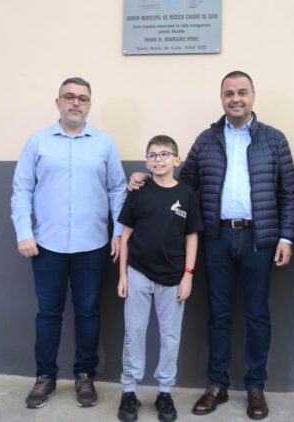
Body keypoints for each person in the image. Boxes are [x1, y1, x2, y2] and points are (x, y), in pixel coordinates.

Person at [129, 71, 294, 420]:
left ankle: (255, 387)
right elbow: (183, 182)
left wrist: (286, 237)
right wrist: (148, 176)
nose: (235, 99)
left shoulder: (274, 140)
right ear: (221, 98)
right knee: (218, 314)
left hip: (259, 239)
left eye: (241, 92)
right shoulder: (207, 140)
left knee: (257, 314)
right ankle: (218, 384)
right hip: (217, 238)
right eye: (228, 94)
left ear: (253, 96)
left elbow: (289, 192)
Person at [10, 77, 127, 409]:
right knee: (49, 313)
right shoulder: (37, 142)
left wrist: (118, 232)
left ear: (90, 104)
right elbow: (22, 190)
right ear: (58, 102)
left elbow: (117, 190)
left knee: (88, 312)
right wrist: (24, 232)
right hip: (46, 245)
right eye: (69, 97)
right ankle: (45, 377)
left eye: (83, 98)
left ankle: (85, 376)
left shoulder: (104, 144)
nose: (76, 103)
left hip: (92, 245)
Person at [116, 135, 203, 422]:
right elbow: (126, 234)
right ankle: (129, 391)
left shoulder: (188, 194)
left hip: (174, 277)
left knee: (170, 336)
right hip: (138, 273)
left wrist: (188, 275)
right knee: (135, 332)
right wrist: (123, 275)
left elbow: (191, 236)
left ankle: (164, 391)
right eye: (152, 155)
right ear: (146, 161)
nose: (158, 159)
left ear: (177, 160)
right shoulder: (138, 190)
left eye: (164, 154)